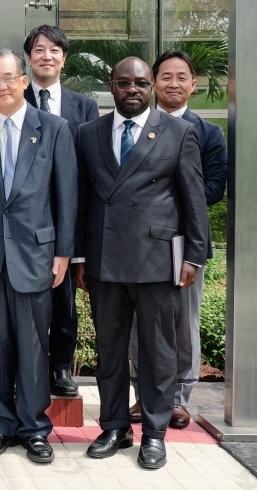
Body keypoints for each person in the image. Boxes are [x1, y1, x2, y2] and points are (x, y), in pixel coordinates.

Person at [72, 57, 208, 470]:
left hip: (155, 261)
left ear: (151, 88)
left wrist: (193, 257)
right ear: (110, 87)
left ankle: (154, 433)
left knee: (156, 352)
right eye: (123, 83)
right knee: (110, 350)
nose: (132, 90)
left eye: (141, 83)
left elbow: (194, 201)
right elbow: (81, 199)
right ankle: (113, 427)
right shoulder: (88, 132)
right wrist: (78, 254)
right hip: (103, 260)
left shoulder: (179, 132)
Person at [0, 49, 78, 464]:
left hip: (36, 253)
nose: (2, 86)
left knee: (32, 344)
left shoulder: (55, 128)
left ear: (24, 81)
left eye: (9, 77)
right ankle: (1, 423)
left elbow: (67, 196)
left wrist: (64, 251)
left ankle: (34, 426)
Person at [128, 50, 227, 428]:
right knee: (142, 322)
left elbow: (215, 188)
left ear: (193, 84)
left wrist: (167, 202)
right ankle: (146, 395)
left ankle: (179, 398)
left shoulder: (208, 133)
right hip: (142, 243)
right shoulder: (136, 125)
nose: (173, 83)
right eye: (165, 76)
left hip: (185, 241)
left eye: (181, 76)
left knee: (183, 322)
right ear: (154, 83)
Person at [21, 25, 99, 398]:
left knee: (63, 300)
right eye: (39, 50)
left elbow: (87, 171)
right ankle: (28, 368)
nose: (46, 56)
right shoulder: (14, 98)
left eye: (54, 50)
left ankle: (61, 367)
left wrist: (77, 241)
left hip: (65, 217)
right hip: (24, 220)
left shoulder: (83, 106)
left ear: (63, 59)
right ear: (29, 57)